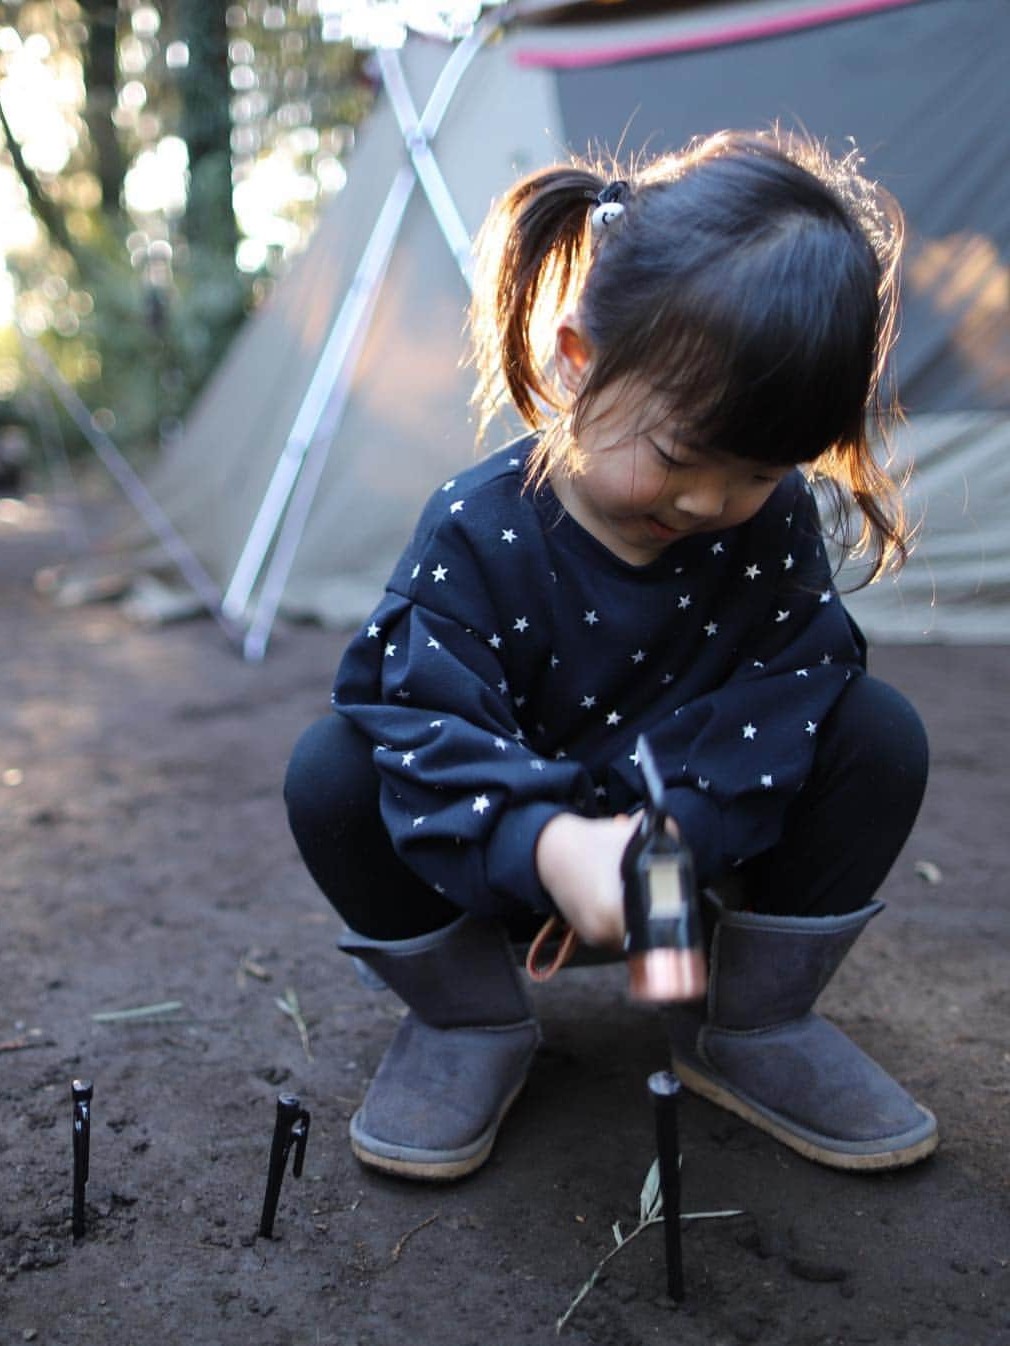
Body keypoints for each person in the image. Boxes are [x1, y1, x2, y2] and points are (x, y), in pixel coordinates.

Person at [284, 130, 937, 1182]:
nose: (708, 502)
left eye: (758, 470)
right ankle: (469, 1025)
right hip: (498, 868)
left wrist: (672, 833)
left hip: (688, 858)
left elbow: (793, 689)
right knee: (333, 769)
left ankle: (755, 1022)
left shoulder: (767, 529)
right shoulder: (476, 529)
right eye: (681, 454)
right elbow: (422, 722)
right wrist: (546, 843)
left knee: (876, 730)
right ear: (577, 355)